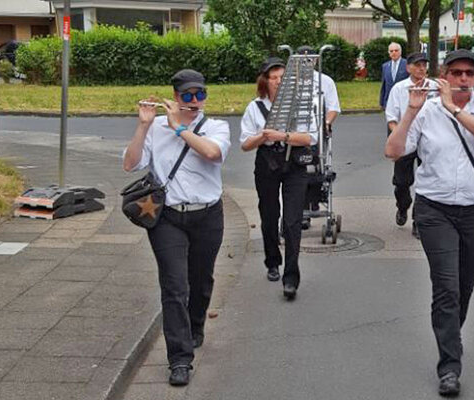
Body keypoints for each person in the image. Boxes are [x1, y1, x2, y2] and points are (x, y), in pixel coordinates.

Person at [385, 49, 474, 397]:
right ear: (445, 76)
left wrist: (454, 107)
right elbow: (393, 151)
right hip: (434, 210)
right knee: (447, 285)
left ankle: (451, 333)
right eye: (456, 73)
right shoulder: (427, 111)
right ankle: (449, 365)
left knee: (465, 285)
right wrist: (411, 111)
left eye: (469, 73)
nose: (463, 79)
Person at [123, 69, 230, 386]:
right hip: (167, 217)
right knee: (174, 287)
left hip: (208, 215)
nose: (195, 101)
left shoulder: (216, 127)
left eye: (200, 95)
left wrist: (180, 128)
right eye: (187, 96)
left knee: (201, 281)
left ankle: (196, 325)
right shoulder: (156, 127)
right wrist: (143, 126)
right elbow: (130, 164)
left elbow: (212, 154)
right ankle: (179, 359)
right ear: (175, 96)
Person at [240, 57, 318, 301]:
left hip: (294, 163)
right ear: (265, 81)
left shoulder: (301, 105)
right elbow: (245, 144)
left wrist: (283, 135)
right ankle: (272, 260)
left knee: (293, 220)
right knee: (269, 214)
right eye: (274, 78)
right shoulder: (255, 107)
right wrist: (264, 136)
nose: (278, 82)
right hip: (267, 162)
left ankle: (291, 277)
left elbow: (310, 138)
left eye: (283, 78)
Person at [384, 52, 437, 236]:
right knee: (402, 182)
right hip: (406, 139)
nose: (422, 68)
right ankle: (403, 205)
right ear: (409, 68)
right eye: (417, 65)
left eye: (424, 65)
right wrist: (398, 135)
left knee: (425, 182)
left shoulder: (435, 87)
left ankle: (418, 220)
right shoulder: (399, 88)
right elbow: (391, 118)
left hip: (429, 140)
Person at [295, 45, 341, 230]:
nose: (306, 63)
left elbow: (333, 107)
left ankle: (314, 200)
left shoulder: (325, 81)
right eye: (302, 60)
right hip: (295, 132)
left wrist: (327, 123)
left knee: (316, 166)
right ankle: (302, 209)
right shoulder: (290, 81)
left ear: (315, 60)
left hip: (318, 131)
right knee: (298, 168)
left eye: (310, 59)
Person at [380, 42, 409, 109]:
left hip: (404, 101)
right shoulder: (385, 66)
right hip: (389, 101)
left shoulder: (407, 64)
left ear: (400, 52)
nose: (394, 52)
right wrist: (382, 102)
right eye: (391, 51)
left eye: (396, 50)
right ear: (389, 53)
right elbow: (384, 85)